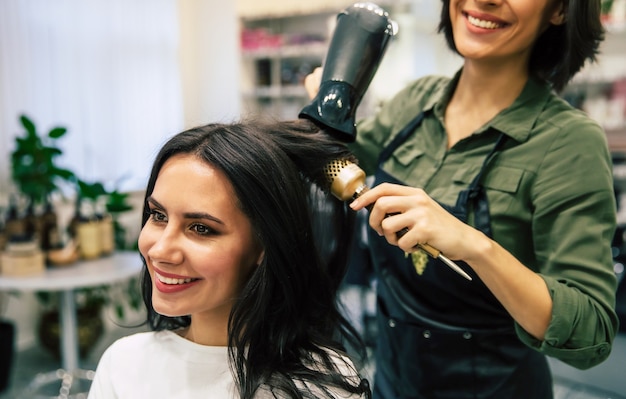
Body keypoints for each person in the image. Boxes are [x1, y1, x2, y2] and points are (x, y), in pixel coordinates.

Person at [304, 0, 619, 398]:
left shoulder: (568, 142)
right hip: (392, 383)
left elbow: (590, 333)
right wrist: (324, 112)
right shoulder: (415, 103)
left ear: (559, 11)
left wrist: (477, 246)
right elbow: (334, 161)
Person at [88, 120, 372, 398]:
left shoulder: (323, 386)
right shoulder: (123, 366)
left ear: (264, 244)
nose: (160, 251)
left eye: (201, 228)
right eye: (158, 216)